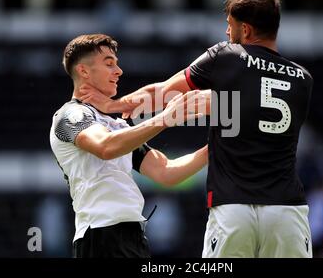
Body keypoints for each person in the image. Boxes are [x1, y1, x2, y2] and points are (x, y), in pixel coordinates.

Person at [80, 0, 314, 258]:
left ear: (246, 30)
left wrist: (115, 104)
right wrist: (222, 101)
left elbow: (162, 92)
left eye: (230, 25)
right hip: (287, 211)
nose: (228, 33)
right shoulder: (303, 79)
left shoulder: (226, 56)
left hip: (233, 208)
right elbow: (255, 106)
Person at [49, 34, 208, 258]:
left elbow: (166, 172)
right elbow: (105, 147)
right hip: (100, 236)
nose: (119, 71)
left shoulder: (117, 125)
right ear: (84, 71)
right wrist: (166, 118)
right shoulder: (70, 114)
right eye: (109, 63)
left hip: (132, 236)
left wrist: (215, 147)